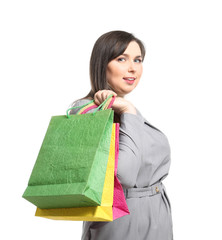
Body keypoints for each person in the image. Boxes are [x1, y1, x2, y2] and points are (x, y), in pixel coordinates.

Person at [70, 30, 173, 240]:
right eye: (121, 59)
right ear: (102, 63)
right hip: (120, 220)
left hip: (157, 216)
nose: (132, 68)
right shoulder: (86, 110)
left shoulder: (127, 109)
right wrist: (127, 110)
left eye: (138, 60)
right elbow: (124, 174)